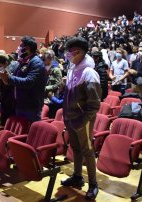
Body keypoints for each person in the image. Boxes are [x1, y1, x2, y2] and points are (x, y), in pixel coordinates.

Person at [61, 37, 101, 200]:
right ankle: (77, 176)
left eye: (70, 51)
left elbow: (94, 104)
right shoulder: (72, 69)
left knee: (88, 150)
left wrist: (83, 121)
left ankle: (93, 184)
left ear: (79, 52)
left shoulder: (89, 73)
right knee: (75, 148)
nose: (68, 54)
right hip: (70, 117)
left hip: (82, 120)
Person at [0, 36, 46, 122]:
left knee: (29, 133)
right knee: (21, 133)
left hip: (30, 107)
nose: (18, 48)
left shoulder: (36, 62)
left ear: (27, 48)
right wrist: (6, 78)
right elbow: (15, 78)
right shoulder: (23, 61)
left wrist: (9, 78)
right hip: (20, 104)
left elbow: (29, 81)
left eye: (20, 46)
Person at [0, 54, 16, 126]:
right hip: (2, 101)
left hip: (9, 103)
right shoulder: (1, 72)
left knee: (5, 124)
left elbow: (8, 86)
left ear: (6, 63)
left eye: (0, 66)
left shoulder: (10, 73)